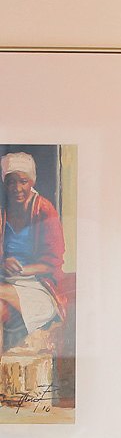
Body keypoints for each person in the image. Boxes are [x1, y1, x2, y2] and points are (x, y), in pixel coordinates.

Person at [0, 150, 66, 353]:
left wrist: (21, 269)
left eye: (23, 181)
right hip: (7, 281)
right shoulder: (2, 212)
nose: (17, 188)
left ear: (32, 181)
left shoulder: (45, 210)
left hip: (38, 285)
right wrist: (4, 264)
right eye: (11, 182)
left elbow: (52, 263)